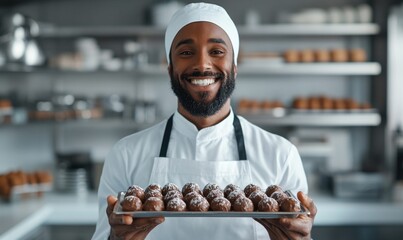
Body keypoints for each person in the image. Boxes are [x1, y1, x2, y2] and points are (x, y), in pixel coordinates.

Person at [92, 2, 317, 240]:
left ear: (235, 66)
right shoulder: (126, 154)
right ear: (169, 68)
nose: (202, 64)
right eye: (186, 53)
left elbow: (299, 231)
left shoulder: (280, 155)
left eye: (217, 52)